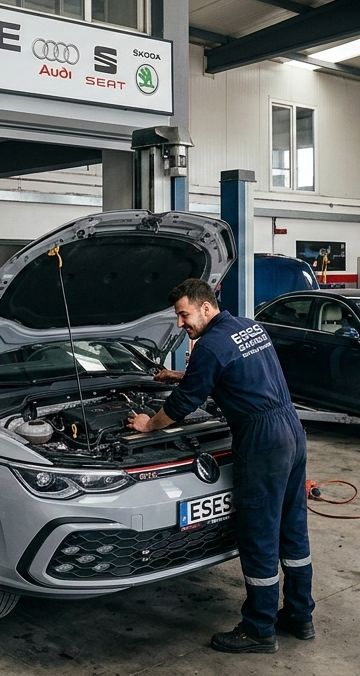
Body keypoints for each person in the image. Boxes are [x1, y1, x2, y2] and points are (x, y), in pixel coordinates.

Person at [126, 279, 314, 654]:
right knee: (292, 529)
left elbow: (180, 408)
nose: (180, 324)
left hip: (261, 440)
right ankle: (299, 615)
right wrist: (178, 376)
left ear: (206, 308)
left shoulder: (209, 345)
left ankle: (260, 628)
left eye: (183, 315)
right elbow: (235, 372)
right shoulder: (248, 327)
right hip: (291, 431)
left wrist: (148, 423)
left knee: (259, 534)